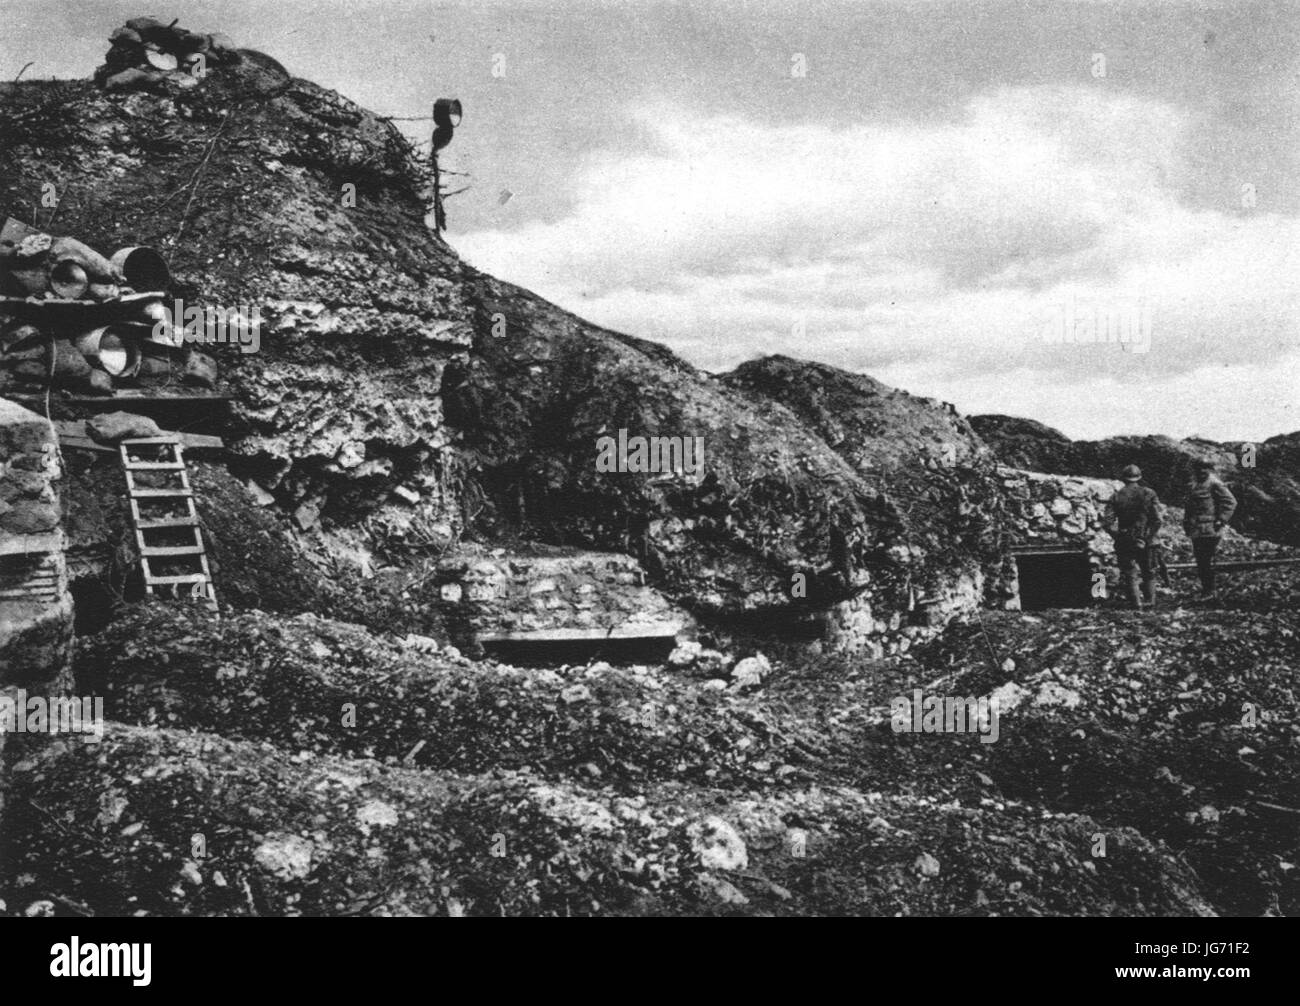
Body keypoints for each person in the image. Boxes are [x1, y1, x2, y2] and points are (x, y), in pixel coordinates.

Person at [1106, 464, 1162, 609]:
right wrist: (1147, 537)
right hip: (1148, 539)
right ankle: (1150, 603)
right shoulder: (1149, 493)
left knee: (1130, 572)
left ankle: (1136, 604)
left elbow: (1108, 522)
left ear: (1123, 478)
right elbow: (1158, 520)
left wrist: (1119, 536)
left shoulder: (1116, 496)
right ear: (1139, 477)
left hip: (1125, 540)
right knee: (1149, 571)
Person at [1183, 460, 1237, 598]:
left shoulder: (1214, 484)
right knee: (1201, 561)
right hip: (1196, 529)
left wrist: (1222, 519)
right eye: (1198, 469)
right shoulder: (1193, 485)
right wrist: (1186, 523)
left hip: (1211, 528)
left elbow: (1230, 501)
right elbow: (1189, 507)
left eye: (1205, 469)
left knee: (1206, 560)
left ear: (1209, 470)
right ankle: (1206, 590)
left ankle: (1210, 591)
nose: (1201, 472)